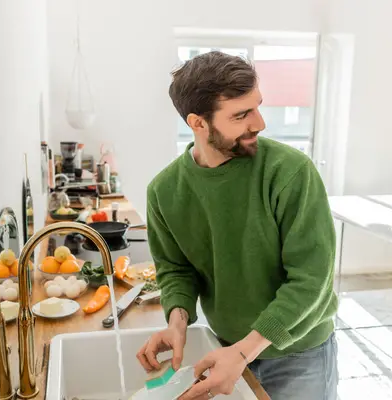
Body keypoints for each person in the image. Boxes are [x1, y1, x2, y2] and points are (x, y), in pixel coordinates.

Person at [136, 51, 338, 400]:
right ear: (198, 123)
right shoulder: (164, 191)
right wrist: (178, 322)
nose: (259, 123)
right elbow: (175, 268)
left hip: (299, 355)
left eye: (258, 106)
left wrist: (244, 351)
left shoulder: (290, 172)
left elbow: (311, 278)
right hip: (226, 348)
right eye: (242, 114)